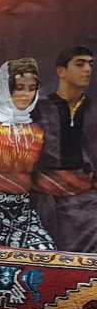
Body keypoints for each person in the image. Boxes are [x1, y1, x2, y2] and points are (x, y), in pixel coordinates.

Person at [0, 59, 54, 249]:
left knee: (44, 251)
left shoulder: (38, 132)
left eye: (31, 88)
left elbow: (39, 174)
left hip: (22, 213)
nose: (25, 94)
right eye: (19, 87)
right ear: (6, 88)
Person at [32, 46, 97, 252]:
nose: (87, 69)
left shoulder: (95, 110)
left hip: (87, 201)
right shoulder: (39, 109)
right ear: (61, 71)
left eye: (90, 64)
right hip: (44, 199)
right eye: (80, 64)